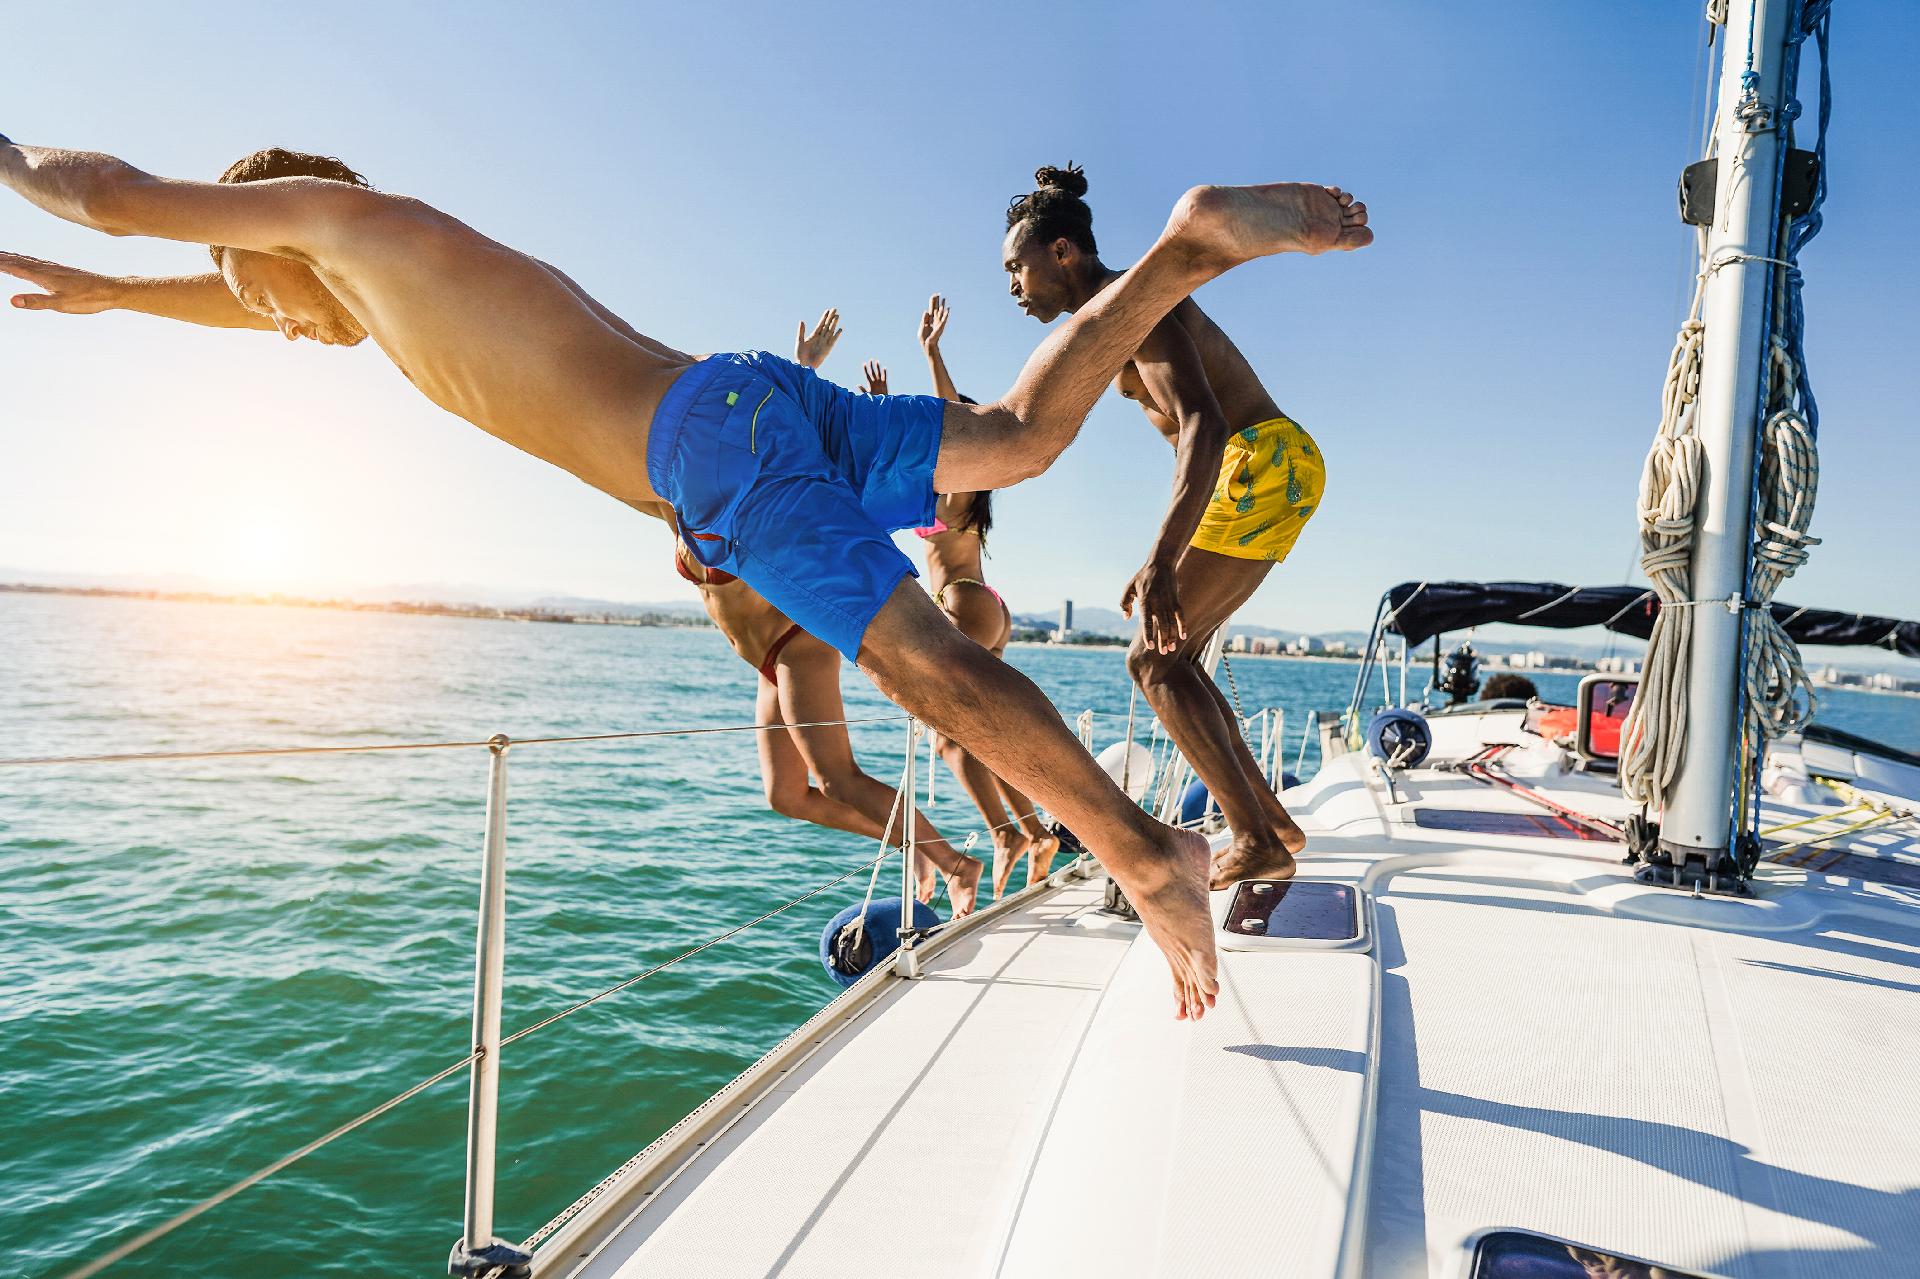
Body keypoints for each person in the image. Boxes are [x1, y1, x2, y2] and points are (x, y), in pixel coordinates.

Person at [0, 133, 1370, 1020]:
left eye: (254, 293)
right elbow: (232, 284)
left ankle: (1148, 858)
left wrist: (20, 167)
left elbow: (116, 196)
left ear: (276, 225)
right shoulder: (388, 272)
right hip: (746, 393)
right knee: (1018, 436)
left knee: (921, 662)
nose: (274, 328)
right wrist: (118, 298)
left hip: (711, 456)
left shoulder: (349, 225)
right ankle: (1187, 247)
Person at [1001, 163, 1331, 892]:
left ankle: (1255, 836)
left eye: (1017, 267)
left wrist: (1159, 559)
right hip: (1276, 462)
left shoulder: (1134, 303)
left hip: (1260, 458)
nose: (1013, 287)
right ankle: (1270, 822)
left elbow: (1202, 424)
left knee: (1151, 664)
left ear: (1062, 252)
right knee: (1178, 658)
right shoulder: (1112, 317)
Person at [669, 317, 983, 914]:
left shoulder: (748, 503)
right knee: (787, 796)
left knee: (838, 779)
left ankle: (956, 864)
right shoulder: (677, 498)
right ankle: (914, 846)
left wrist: (804, 370)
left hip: (795, 643)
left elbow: (781, 440)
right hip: (766, 659)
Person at [863, 298, 1062, 899]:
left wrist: (932, 353)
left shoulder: (959, 485)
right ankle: (1033, 832)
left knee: (953, 736)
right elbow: (892, 457)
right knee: (989, 732)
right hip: (981, 604)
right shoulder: (942, 493)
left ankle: (1005, 835)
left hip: (965, 600)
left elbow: (951, 414)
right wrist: (879, 408)